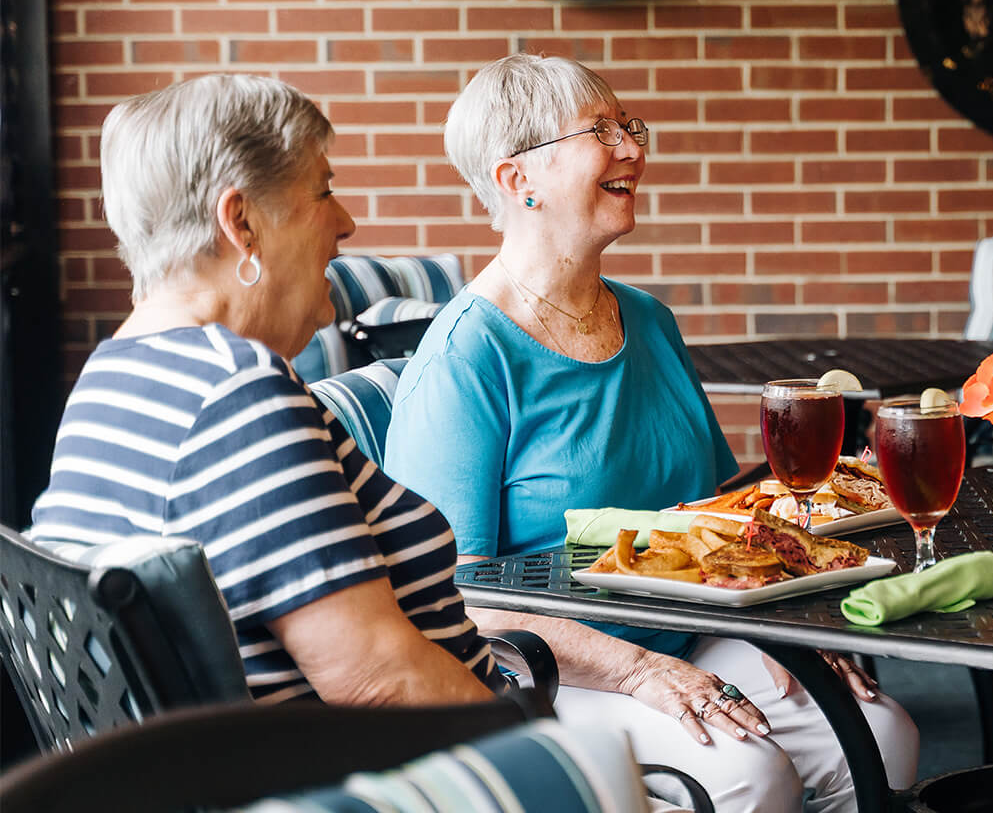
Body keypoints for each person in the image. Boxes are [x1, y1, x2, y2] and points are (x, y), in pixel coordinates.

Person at [381, 54, 919, 813]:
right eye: (601, 130)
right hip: (551, 672)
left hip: (689, 630)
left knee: (882, 733)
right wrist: (637, 671)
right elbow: (452, 595)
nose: (634, 148)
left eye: (629, 126)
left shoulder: (650, 320)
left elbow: (717, 513)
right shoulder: (469, 355)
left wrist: (796, 616)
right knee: (748, 776)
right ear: (515, 181)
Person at [29, 74, 503, 708]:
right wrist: (559, 759)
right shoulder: (234, 390)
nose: (347, 222)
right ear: (241, 222)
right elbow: (379, 681)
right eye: (324, 191)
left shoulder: (111, 374)